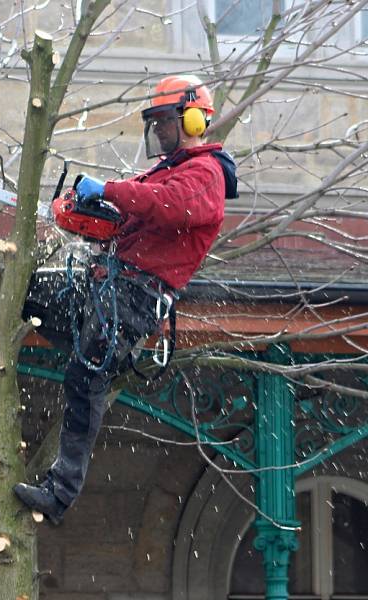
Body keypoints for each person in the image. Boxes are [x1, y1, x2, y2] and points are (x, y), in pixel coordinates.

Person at [14, 74, 238, 525]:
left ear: (193, 120)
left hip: (139, 295)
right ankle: (56, 344)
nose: (158, 133)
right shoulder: (167, 170)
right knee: (31, 297)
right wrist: (88, 212)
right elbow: (135, 211)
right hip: (111, 283)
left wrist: (111, 191)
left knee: (85, 376)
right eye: (153, 124)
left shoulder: (205, 175)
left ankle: (61, 493)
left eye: (164, 123)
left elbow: (166, 205)